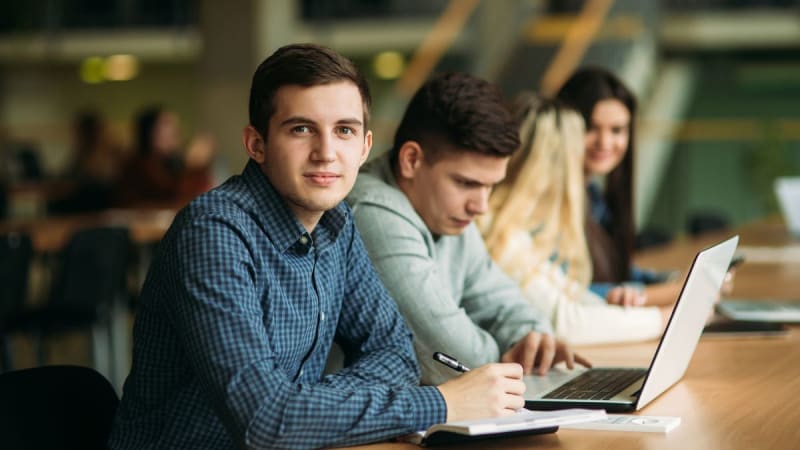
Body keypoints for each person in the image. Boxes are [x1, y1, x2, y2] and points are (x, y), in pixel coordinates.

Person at [109, 44, 530, 450]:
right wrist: (440, 403)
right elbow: (266, 422)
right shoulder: (214, 232)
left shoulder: (337, 223)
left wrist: (304, 407)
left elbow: (397, 354)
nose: (326, 152)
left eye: (344, 130)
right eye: (301, 129)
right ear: (257, 144)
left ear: (364, 147)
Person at [347, 72, 590, 386]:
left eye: (490, 187)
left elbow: (500, 299)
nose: (481, 206)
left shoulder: (446, 213)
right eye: (466, 183)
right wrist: (513, 357)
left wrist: (531, 337)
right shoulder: (372, 211)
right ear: (411, 160)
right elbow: (453, 358)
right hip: (365, 432)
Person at [480, 95, 670, 345]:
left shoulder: (519, 228)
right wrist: (664, 319)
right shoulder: (498, 231)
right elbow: (565, 323)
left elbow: (571, 298)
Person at [555, 67, 682, 307]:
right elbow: (560, 291)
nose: (604, 142)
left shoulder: (593, 196)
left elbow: (614, 269)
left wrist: (669, 280)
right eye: (591, 128)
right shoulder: (549, 201)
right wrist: (658, 293)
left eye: (617, 130)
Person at [115, 105, 215, 208]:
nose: (175, 132)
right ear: (149, 132)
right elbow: (175, 199)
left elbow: (204, 196)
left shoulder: (171, 163)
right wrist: (193, 166)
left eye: (175, 127)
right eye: (166, 125)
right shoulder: (138, 165)